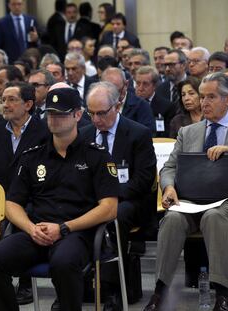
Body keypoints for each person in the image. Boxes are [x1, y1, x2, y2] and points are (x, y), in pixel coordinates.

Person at [0, 86, 119, 311]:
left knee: (63, 262)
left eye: (61, 113)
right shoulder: (33, 156)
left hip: (76, 232)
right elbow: (11, 203)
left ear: (77, 115)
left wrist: (64, 228)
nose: (53, 119)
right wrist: (29, 228)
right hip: (36, 231)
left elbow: (109, 208)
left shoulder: (97, 156)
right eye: (50, 113)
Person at [143, 72, 228, 311]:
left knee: (214, 217)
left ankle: (222, 294)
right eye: (202, 97)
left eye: (211, 97)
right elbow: (169, 167)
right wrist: (168, 188)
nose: (204, 102)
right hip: (192, 200)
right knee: (172, 218)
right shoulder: (188, 132)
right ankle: (159, 292)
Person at [0, 81, 50, 305]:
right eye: (3, 99)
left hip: (33, 199)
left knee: (22, 216)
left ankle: (24, 283)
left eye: (11, 100)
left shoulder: (45, 132)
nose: (4, 104)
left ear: (28, 104)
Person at [81, 81, 156, 310]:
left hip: (129, 202)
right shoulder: (83, 135)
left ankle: (112, 290)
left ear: (118, 105)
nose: (95, 119)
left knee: (115, 217)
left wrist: (110, 198)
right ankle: (71, 285)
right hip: (92, 201)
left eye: (101, 113)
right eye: (91, 113)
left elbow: (143, 179)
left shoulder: (137, 133)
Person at [101, 67, 155, 133]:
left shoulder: (141, 106)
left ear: (126, 85)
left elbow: (147, 133)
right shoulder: (96, 104)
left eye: (117, 91)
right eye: (107, 91)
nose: (113, 95)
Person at [135, 66, 177, 137]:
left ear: (154, 85)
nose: (140, 88)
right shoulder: (129, 104)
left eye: (145, 84)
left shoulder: (167, 107)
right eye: (138, 83)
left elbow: (166, 134)